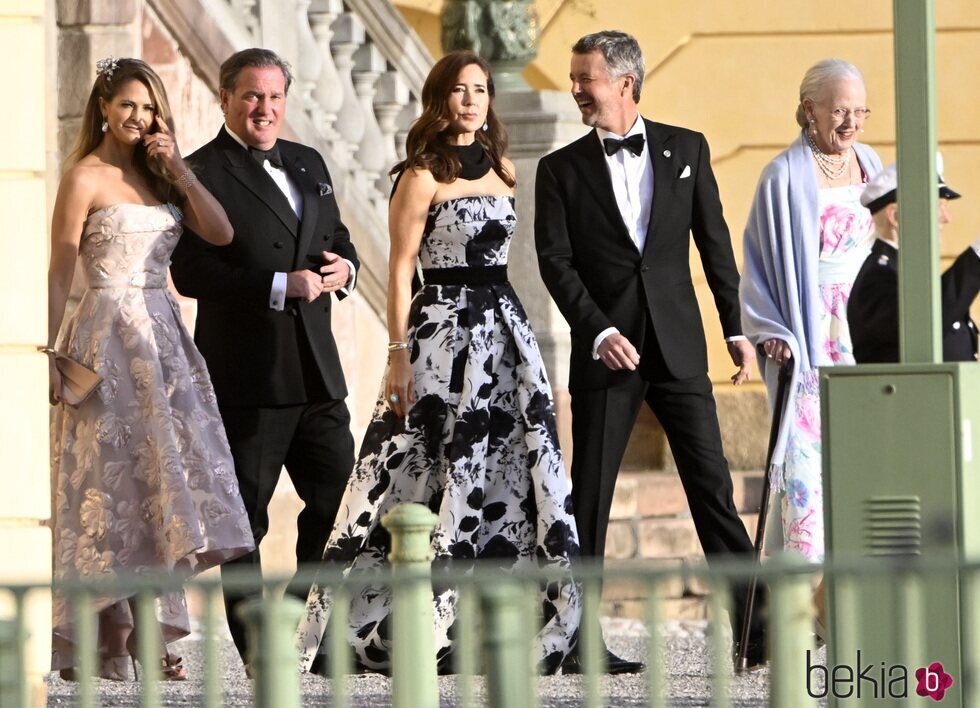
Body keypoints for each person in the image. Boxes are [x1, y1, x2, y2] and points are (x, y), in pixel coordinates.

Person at [296, 50, 581, 676]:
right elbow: (400, 272)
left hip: (504, 329)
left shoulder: (506, 169)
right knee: (423, 461)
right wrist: (398, 354)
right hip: (442, 332)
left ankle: (493, 620)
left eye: (480, 90)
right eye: (459, 90)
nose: (472, 101)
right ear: (440, 98)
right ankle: (390, 618)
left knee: (506, 469)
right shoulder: (421, 174)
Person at [534, 30, 764, 672]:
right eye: (575, 77)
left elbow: (715, 245)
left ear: (625, 82)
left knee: (712, 487)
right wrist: (598, 330)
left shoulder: (686, 148)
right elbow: (554, 262)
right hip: (606, 352)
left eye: (586, 78)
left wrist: (735, 329)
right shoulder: (559, 169)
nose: (576, 88)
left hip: (679, 346)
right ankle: (579, 640)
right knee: (592, 495)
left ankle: (756, 625)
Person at [47, 57, 254, 681]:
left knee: (162, 486)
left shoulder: (165, 180)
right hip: (104, 338)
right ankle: (106, 633)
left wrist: (181, 171)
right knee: (113, 491)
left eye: (149, 107)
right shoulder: (83, 176)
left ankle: (149, 632)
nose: (139, 118)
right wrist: (50, 353)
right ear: (104, 107)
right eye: (128, 106)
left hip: (163, 340)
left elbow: (221, 234)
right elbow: (59, 270)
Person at [169, 48, 357, 671]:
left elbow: (337, 237)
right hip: (249, 374)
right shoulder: (198, 173)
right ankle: (255, 651)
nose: (265, 109)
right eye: (252, 96)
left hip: (318, 373)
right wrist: (280, 284)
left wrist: (345, 267)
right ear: (225, 98)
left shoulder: (309, 161)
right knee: (246, 525)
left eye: (274, 97)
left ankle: (300, 623)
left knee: (340, 507)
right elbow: (192, 272)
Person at [740, 59, 882, 567]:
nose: (851, 122)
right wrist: (771, 331)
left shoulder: (870, 163)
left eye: (859, 110)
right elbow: (756, 266)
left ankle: (864, 586)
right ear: (808, 111)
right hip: (810, 333)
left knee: (868, 453)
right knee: (806, 465)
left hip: (866, 327)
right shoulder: (782, 176)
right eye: (839, 110)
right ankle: (806, 590)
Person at [848, 159, 979, 363]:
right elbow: (926, 322)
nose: (946, 218)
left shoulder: (908, 272)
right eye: (937, 206)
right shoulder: (878, 278)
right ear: (895, 216)